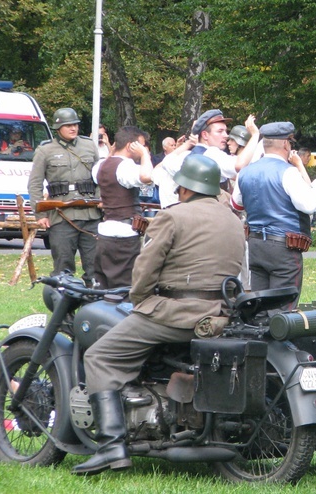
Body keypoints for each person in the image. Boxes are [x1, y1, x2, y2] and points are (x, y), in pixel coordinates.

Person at [73, 154, 245, 476]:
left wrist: (140, 300)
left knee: (99, 356)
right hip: (219, 316)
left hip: (174, 314)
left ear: (183, 188)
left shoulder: (172, 217)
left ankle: (111, 447)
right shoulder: (233, 220)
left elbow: (145, 269)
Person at [231, 122, 316, 309]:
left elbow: (236, 203)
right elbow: (310, 205)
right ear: (286, 144)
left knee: (259, 306)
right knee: (283, 307)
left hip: (255, 244)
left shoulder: (245, 172)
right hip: (283, 247)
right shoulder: (288, 172)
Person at [28, 107, 101, 287]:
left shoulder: (89, 146)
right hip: (61, 216)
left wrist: (101, 202)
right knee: (63, 267)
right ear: (58, 128)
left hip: (90, 215)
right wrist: (40, 215)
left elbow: (99, 178)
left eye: (75, 124)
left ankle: (94, 307)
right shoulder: (46, 150)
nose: (73, 128)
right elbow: (35, 184)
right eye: (68, 125)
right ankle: (63, 309)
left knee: (96, 267)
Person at [92, 126, 154, 288]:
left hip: (105, 234)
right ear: (129, 146)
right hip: (124, 237)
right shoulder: (126, 167)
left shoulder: (100, 165)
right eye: (140, 145)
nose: (143, 149)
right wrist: (145, 154)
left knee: (104, 286)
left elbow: (109, 164)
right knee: (124, 289)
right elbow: (147, 176)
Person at [155, 111, 259, 208]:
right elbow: (239, 165)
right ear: (205, 134)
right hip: (207, 217)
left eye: (226, 131)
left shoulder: (183, 157)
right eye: (220, 131)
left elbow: (166, 161)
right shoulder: (211, 155)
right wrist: (255, 135)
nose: (226, 135)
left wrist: (188, 144)